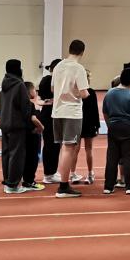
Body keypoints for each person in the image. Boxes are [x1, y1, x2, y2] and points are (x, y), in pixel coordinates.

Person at [50, 40, 91, 198]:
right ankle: (63, 186)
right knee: (69, 148)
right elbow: (84, 93)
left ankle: (63, 181)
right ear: (82, 52)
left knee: (63, 148)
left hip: (57, 111)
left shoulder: (58, 66)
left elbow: (53, 88)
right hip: (72, 112)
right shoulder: (78, 68)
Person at [0, 59, 43, 194]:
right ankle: (13, 185)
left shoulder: (4, 85)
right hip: (17, 125)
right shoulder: (19, 85)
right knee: (16, 155)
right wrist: (31, 127)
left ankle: (8, 181)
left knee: (7, 154)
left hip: (5, 123)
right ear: (18, 69)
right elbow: (25, 109)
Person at [102, 67, 130, 195]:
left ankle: (108, 186)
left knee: (112, 157)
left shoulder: (109, 93)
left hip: (113, 127)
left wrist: (110, 125)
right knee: (128, 157)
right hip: (129, 128)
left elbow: (105, 112)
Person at [73, 75, 101, 185]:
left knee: (75, 149)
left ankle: (73, 174)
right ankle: (90, 174)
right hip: (88, 123)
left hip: (76, 122)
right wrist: (97, 125)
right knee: (88, 149)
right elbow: (95, 110)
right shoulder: (91, 92)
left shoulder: (74, 92)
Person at [36, 59, 59, 184]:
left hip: (46, 113)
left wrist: (46, 102)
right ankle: (49, 173)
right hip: (52, 114)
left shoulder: (44, 80)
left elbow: (39, 99)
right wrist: (50, 101)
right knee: (52, 144)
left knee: (50, 144)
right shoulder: (53, 81)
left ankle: (51, 172)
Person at [23, 82, 44, 190]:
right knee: (33, 159)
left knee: (26, 158)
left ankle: (26, 179)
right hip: (32, 135)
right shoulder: (29, 105)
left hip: (23, 135)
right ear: (29, 91)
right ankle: (29, 181)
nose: (35, 92)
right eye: (34, 90)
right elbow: (33, 119)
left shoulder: (21, 104)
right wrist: (41, 127)